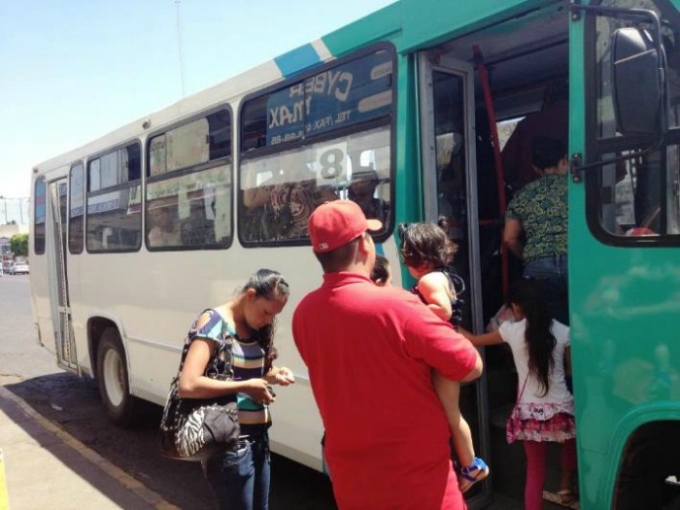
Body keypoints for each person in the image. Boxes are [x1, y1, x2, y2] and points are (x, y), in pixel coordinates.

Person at [293, 200, 483, 510]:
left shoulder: (304, 313)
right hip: (422, 488)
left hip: (353, 487)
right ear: (364, 245)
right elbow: (470, 365)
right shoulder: (398, 306)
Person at [178, 269, 295, 510]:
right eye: (266, 312)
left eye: (274, 315)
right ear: (250, 295)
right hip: (231, 445)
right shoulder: (214, 322)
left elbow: (247, 372)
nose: (269, 321)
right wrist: (246, 386)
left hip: (259, 441)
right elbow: (188, 384)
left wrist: (275, 374)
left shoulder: (254, 327)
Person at [459, 279, 577, 510]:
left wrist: (447, 320)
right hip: (561, 408)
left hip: (529, 412)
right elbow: (570, 370)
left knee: (535, 470)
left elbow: (473, 340)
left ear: (516, 307)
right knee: (571, 443)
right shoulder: (564, 332)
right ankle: (566, 485)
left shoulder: (511, 331)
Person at [397, 221, 488, 493]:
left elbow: (443, 310)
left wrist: (408, 311)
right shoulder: (442, 276)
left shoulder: (429, 280)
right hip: (445, 351)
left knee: (450, 412)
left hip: (442, 354)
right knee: (448, 410)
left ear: (417, 257)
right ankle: (467, 463)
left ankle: (471, 465)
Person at [503, 136, 569, 325]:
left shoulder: (522, 195)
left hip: (538, 268)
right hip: (577, 263)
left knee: (548, 328)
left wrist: (528, 257)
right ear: (565, 160)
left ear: (535, 168)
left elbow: (509, 238)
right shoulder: (579, 189)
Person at [501, 80, 569, 191]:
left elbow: (506, 167)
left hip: (531, 190)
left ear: (547, 99)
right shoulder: (585, 119)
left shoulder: (528, 124)